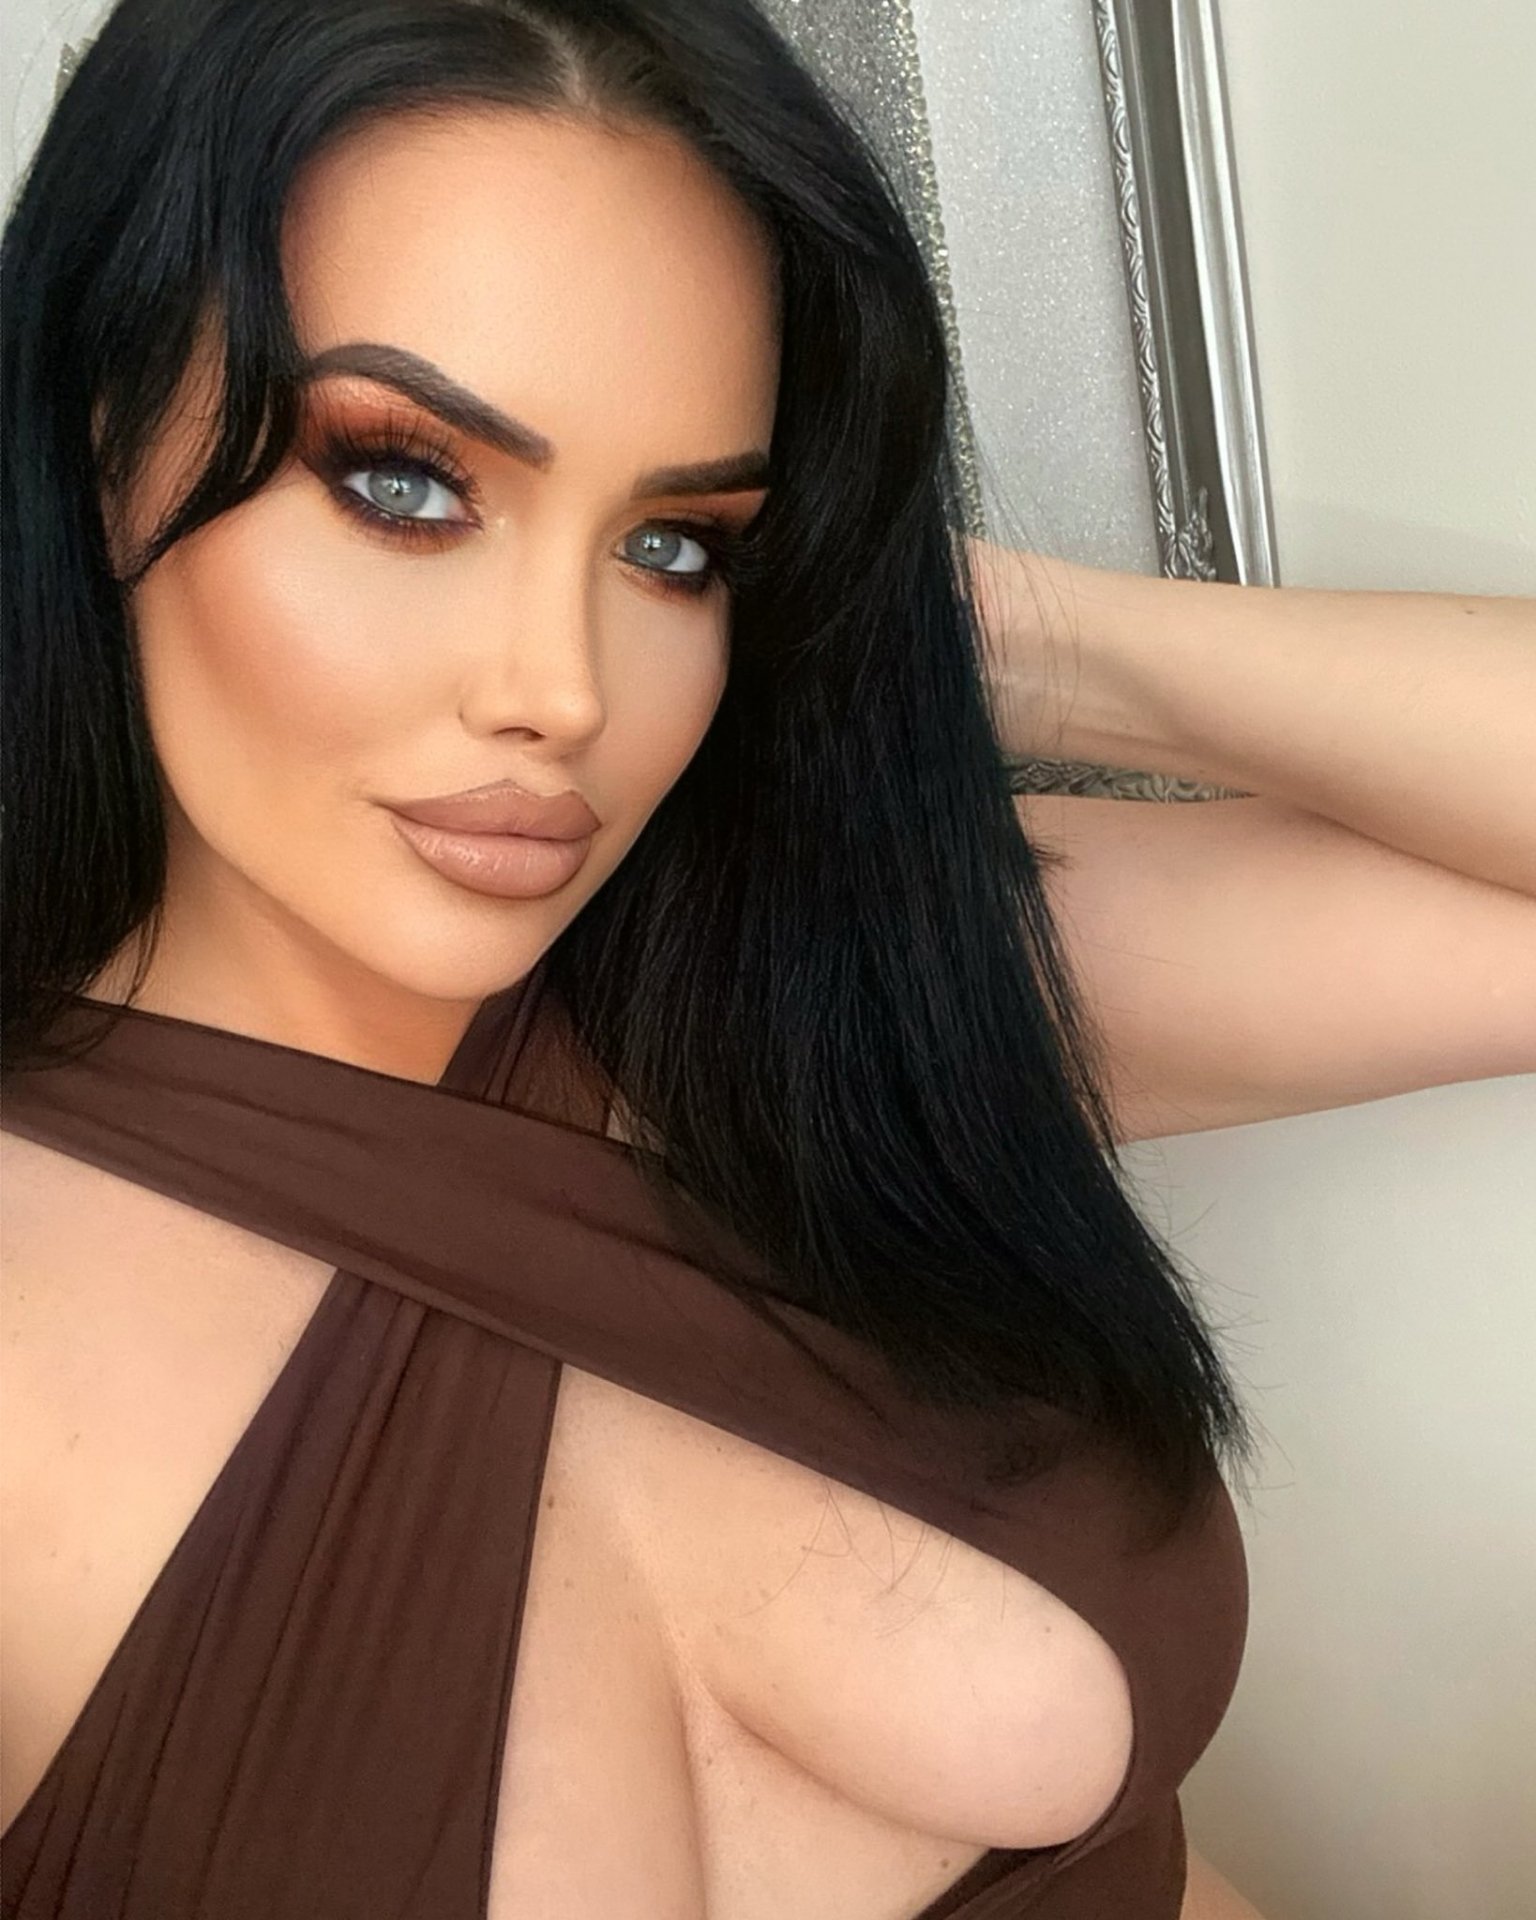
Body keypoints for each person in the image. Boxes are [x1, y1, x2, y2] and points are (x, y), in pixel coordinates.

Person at [0, 2, 1529, 1916]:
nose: (563, 691)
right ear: (95, 445)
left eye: (677, 546)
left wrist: (955, 634)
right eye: (403, 483)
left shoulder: (815, 996)